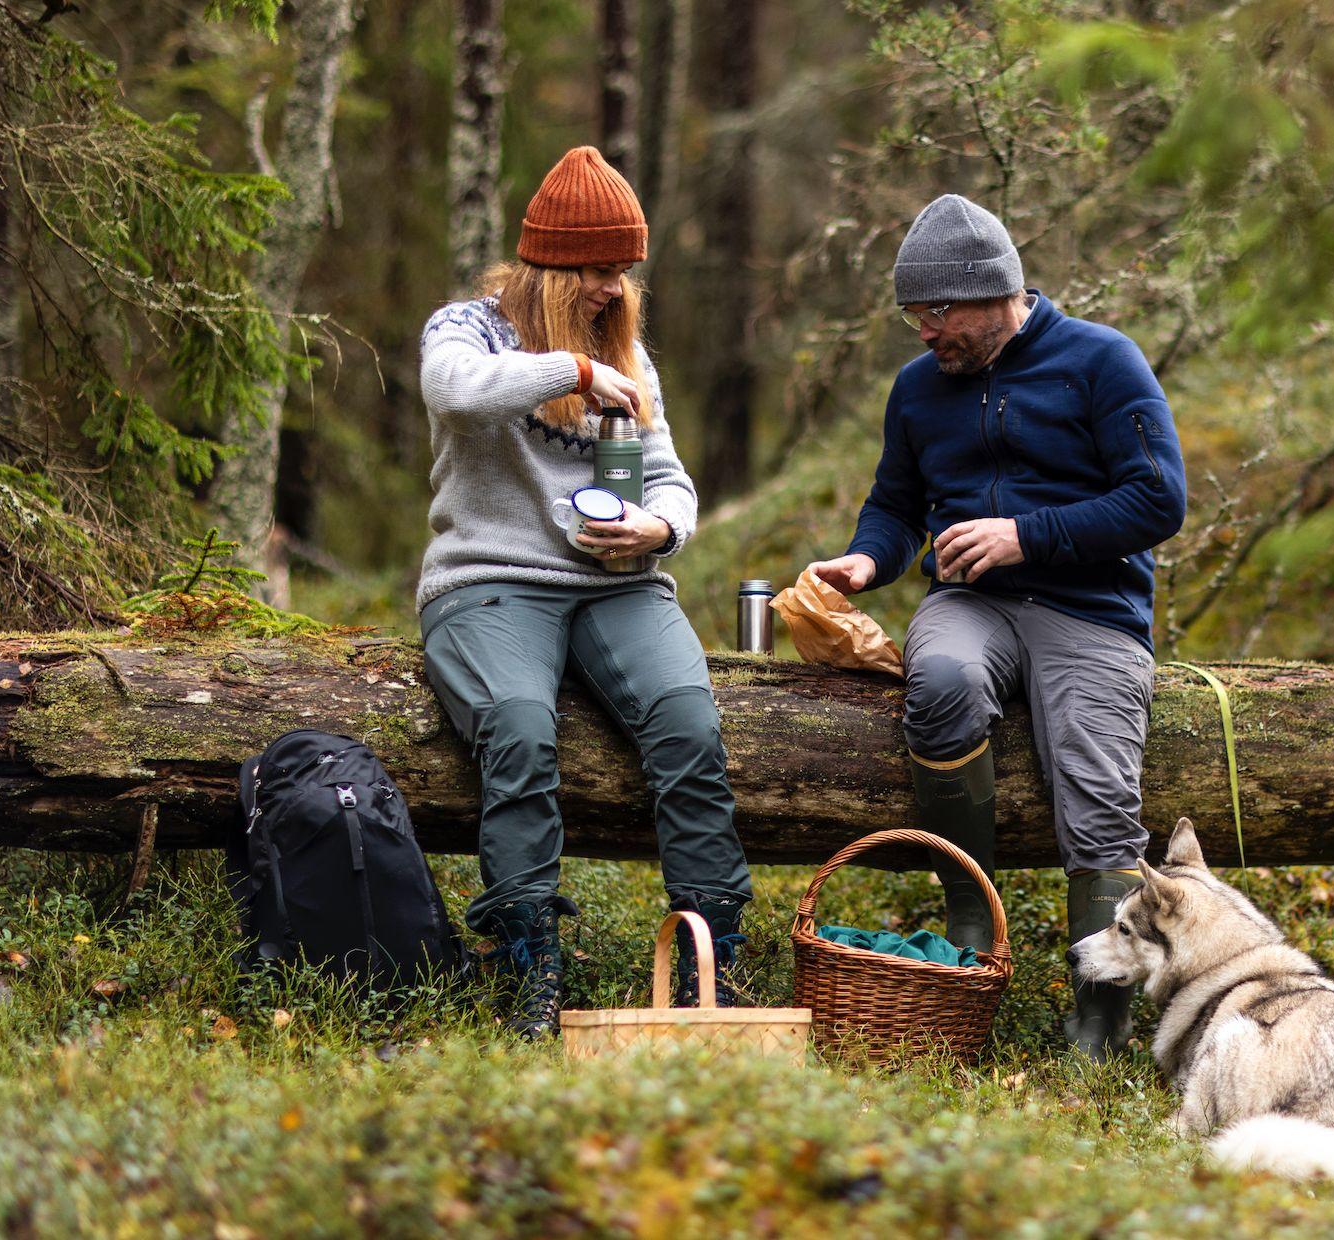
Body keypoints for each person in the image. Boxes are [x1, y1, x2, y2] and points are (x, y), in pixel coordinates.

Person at [806, 193, 1189, 1059]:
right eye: (913, 315)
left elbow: (1158, 500)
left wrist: (1028, 535)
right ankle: (972, 919)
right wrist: (868, 561)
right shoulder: (917, 390)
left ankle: (1099, 1018)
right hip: (969, 606)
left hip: (1090, 611)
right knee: (937, 680)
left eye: (935, 313)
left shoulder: (1102, 362)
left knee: (1097, 793)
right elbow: (896, 506)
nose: (923, 333)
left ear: (993, 294)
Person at [417, 145, 751, 1039]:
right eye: (599, 270)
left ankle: (712, 962)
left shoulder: (629, 353)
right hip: (490, 582)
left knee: (689, 723)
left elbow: (671, 476)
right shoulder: (467, 330)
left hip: (618, 584)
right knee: (520, 728)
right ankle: (528, 966)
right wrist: (568, 372)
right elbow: (451, 392)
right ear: (551, 267)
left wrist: (659, 530)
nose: (614, 287)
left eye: (623, 271)